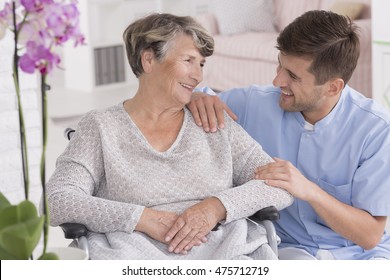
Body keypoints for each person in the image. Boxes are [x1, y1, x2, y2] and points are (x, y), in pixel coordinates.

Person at [46, 13, 293, 260]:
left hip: (226, 251)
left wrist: (215, 207)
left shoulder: (212, 120)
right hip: (132, 254)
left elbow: (279, 184)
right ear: (149, 60)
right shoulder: (101, 126)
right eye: (188, 60)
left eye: (202, 64)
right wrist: (141, 218)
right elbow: (58, 199)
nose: (198, 76)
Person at [188, 10, 390, 260]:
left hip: (359, 256)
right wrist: (196, 96)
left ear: (333, 87)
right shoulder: (254, 103)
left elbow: (369, 235)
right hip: (287, 249)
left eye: (293, 76)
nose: (277, 81)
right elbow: (192, 99)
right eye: (280, 66)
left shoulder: (377, 130)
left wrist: (307, 189)